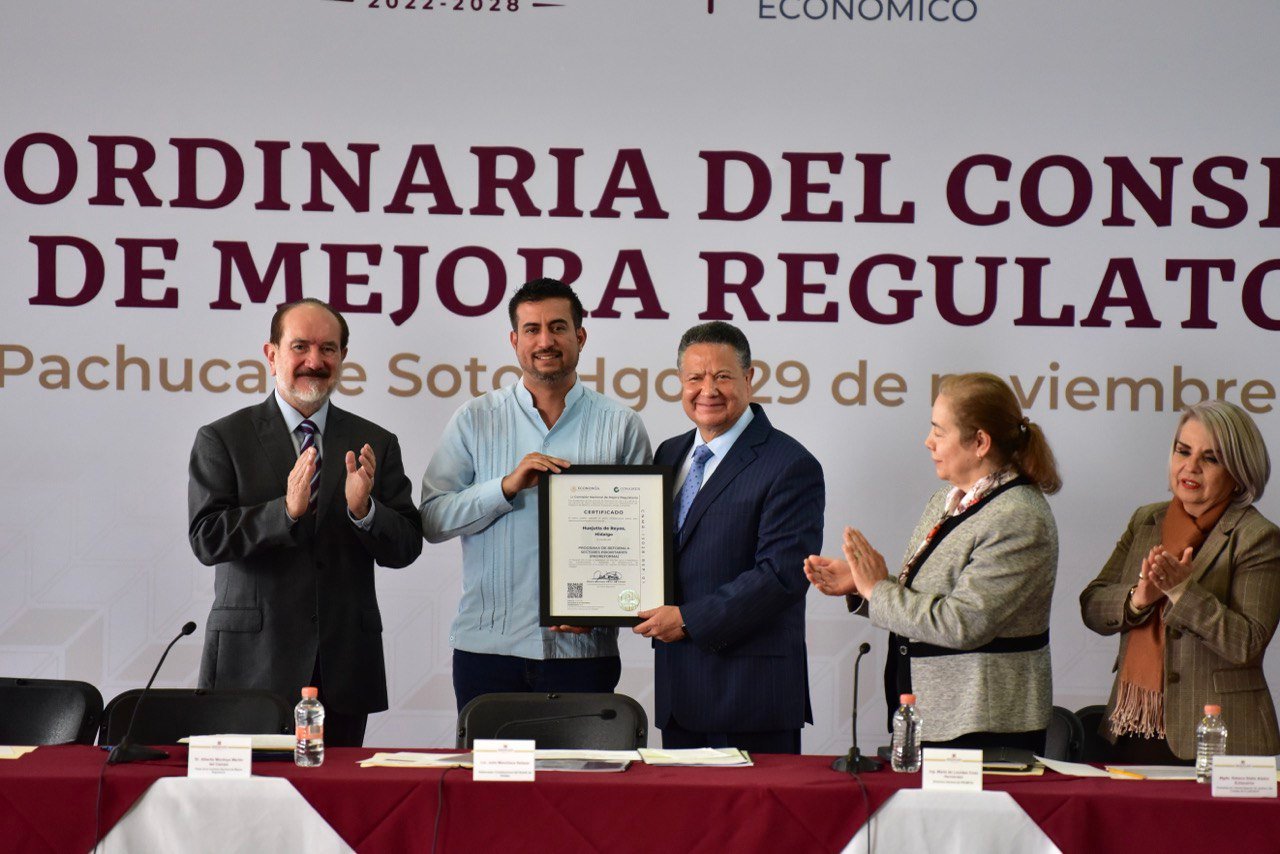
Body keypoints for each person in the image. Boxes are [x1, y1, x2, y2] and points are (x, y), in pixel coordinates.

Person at [188, 298, 423, 747]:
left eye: (328, 349)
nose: (315, 361)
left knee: (335, 790)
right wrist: (285, 512)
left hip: (342, 668)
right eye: (300, 347)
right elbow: (207, 538)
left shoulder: (375, 442)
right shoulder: (223, 438)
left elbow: (407, 545)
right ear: (271, 354)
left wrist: (364, 512)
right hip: (250, 665)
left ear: (342, 357)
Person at [421, 278, 651, 711]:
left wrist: (603, 610)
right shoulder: (474, 419)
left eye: (558, 327)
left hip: (584, 656)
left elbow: (644, 543)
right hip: (487, 654)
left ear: (580, 336)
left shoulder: (621, 425)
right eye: (532, 329)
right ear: (515, 340)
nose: (545, 341)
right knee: (487, 761)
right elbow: (432, 520)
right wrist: (505, 487)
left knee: (586, 761)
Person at [806, 372, 1061, 752]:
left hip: (984, 726)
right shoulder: (946, 499)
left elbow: (963, 623)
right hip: (931, 716)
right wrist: (863, 586)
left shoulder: (1018, 517)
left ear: (980, 442)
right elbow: (934, 599)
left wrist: (877, 590)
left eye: (939, 431)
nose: (928, 441)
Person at [636, 321, 824, 755]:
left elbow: (780, 576)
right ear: (680, 382)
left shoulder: (790, 464)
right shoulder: (669, 454)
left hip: (750, 697)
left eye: (722, 376)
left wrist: (687, 620)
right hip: (680, 696)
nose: (708, 390)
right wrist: (597, 607)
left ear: (749, 378)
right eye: (694, 378)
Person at [1080, 401, 1280, 762]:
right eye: (1183, 451)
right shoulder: (1146, 520)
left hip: (1218, 738)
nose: (1190, 467)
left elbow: (1247, 644)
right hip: (1131, 728)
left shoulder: (1257, 537)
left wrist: (1181, 592)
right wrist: (1138, 599)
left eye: (1211, 458)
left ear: (1239, 472)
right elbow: (1093, 606)